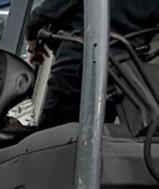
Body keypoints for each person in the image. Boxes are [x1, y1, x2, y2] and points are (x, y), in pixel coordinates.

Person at [27, 0, 159, 129]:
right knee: (100, 132)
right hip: (121, 75)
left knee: (52, 133)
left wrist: (33, 48)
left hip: (76, 67)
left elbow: (37, 18)